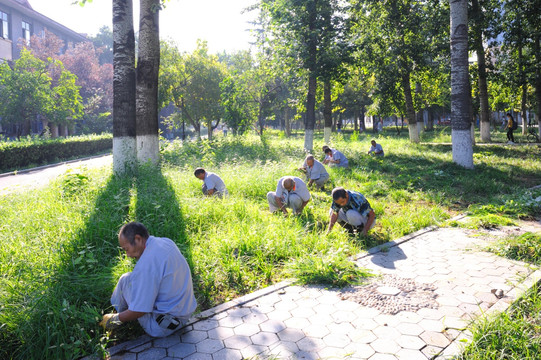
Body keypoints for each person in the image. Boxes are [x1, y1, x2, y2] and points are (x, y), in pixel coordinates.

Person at [100, 222, 197, 337]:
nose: (128, 255)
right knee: (127, 279)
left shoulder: (146, 266)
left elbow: (139, 311)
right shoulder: (165, 242)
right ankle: (118, 314)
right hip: (185, 315)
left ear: (138, 239)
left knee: (125, 281)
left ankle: (115, 321)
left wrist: (115, 319)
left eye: (126, 249)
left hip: (162, 327)